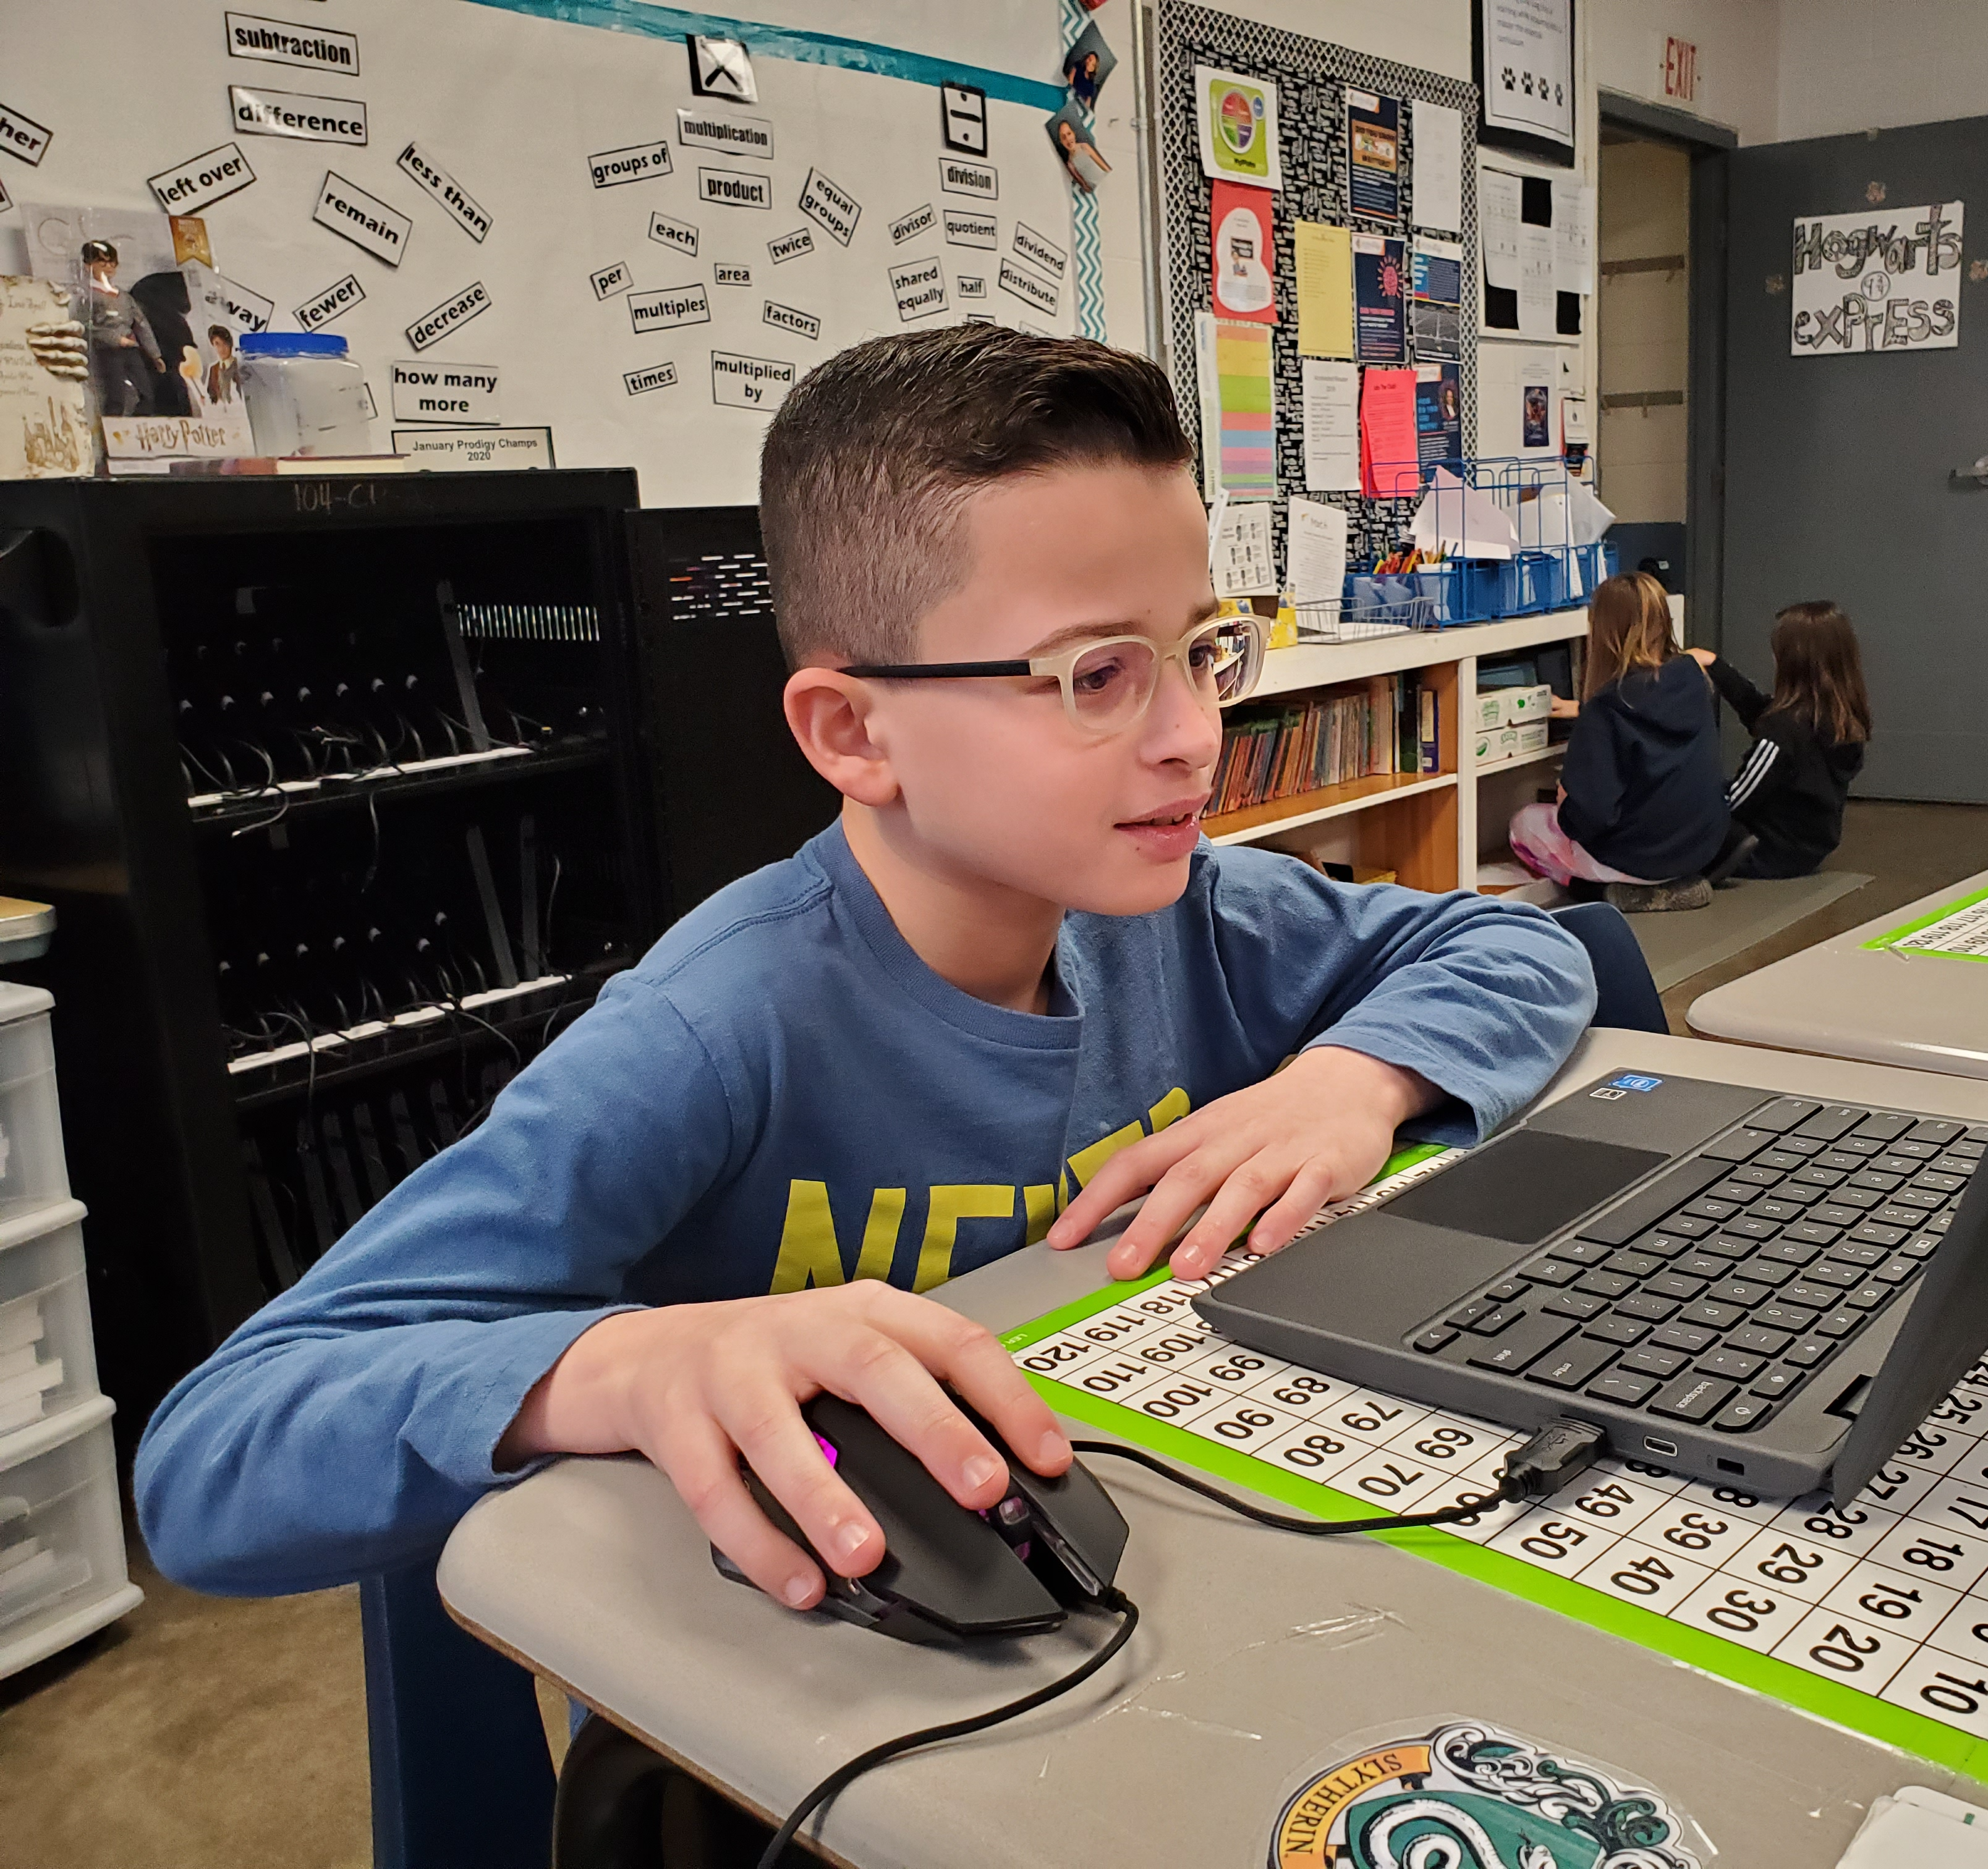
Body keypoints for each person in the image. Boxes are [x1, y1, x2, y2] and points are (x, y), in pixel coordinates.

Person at [135, 328, 1595, 1613]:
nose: (1192, 736)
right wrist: (620, 1366)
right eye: (1096, 675)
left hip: (1158, 1568)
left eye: (1203, 650)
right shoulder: (715, 1028)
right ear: (852, 734)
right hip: (802, 1684)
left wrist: (1352, 1082)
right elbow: (210, 1463)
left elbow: (1516, 940)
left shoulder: (1187, 907)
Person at [1508, 572, 1731, 912]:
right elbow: (1645, 705)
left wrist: (1568, 803)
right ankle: (1674, 883)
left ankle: (1598, 892)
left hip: (1636, 857)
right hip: (1701, 844)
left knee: (1523, 824)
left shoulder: (1604, 710)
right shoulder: (1692, 677)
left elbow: (1591, 818)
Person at [1688, 600, 1872, 879]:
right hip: (1807, 849)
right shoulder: (1836, 719)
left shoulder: (1785, 731)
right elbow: (1761, 712)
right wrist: (1716, 666)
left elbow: (1738, 799)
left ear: (1792, 662)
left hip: (1768, 853)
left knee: (1685, 817)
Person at [80, 239, 162, 418]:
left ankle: (138, 428)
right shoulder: (88, 296)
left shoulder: (124, 297)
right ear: (88, 266)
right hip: (108, 351)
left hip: (131, 349)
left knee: (146, 394)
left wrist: (155, 354)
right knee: (116, 396)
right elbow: (86, 326)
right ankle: (112, 432)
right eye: (103, 262)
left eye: (112, 263)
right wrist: (116, 339)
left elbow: (141, 324)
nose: (109, 267)